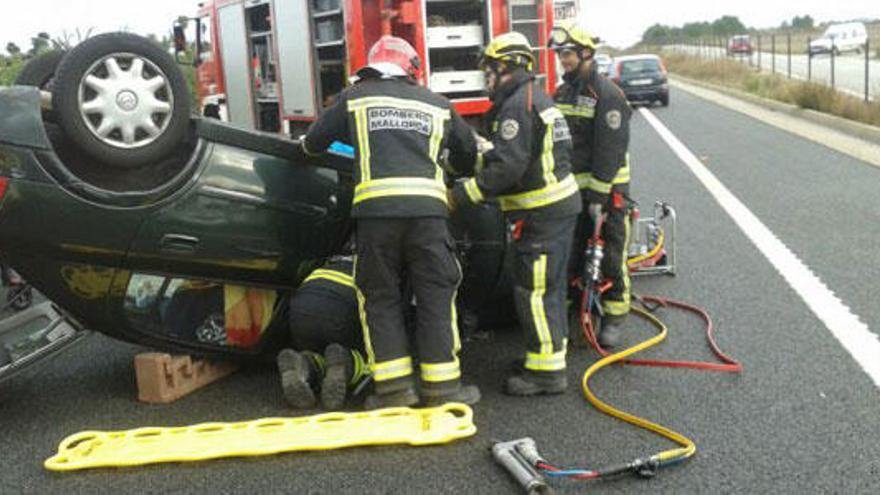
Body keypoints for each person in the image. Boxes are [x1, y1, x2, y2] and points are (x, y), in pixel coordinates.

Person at [301, 35, 479, 408]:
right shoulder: (438, 104)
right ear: (412, 69)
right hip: (430, 219)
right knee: (435, 296)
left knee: (380, 298)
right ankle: (442, 388)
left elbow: (313, 143)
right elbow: (467, 155)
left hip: (377, 220)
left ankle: (396, 392)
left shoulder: (356, 97)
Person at [449, 32, 581, 396]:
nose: (485, 78)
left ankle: (547, 374)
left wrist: (460, 195)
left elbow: (508, 168)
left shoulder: (516, 107)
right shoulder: (532, 97)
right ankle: (544, 357)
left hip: (543, 214)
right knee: (548, 290)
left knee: (536, 292)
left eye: (488, 70)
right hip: (553, 211)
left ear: (504, 67)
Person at [549, 22, 633, 348]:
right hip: (573, 190)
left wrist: (599, 193)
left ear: (586, 54)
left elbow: (610, 150)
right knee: (572, 253)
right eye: (560, 54)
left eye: (568, 54)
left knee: (610, 254)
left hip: (607, 191)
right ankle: (572, 311)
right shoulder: (563, 92)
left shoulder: (608, 95)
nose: (563, 60)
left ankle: (614, 315)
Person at [277, 256, 371, 411]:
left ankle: (303, 365)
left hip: (301, 308)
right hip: (341, 309)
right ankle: (347, 362)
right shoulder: (377, 261)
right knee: (371, 353)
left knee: (316, 352)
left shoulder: (332, 257)